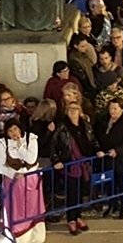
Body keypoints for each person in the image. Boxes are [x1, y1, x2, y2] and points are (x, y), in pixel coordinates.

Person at [49, 101, 97, 236]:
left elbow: (92, 139)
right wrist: (56, 160)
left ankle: (78, 216)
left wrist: (97, 150)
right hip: (70, 164)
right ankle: (71, 219)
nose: (73, 111)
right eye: (70, 109)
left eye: (75, 108)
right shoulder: (62, 127)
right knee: (72, 193)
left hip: (84, 164)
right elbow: (54, 145)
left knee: (81, 192)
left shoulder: (85, 125)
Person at [0, 121, 45, 241]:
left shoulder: (31, 138)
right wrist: (13, 174)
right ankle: (18, 237)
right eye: (10, 130)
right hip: (13, 183)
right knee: (16, 209)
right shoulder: (3, 143)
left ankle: (36, 237)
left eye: (15, 129)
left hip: (31, 180)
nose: (13, 133)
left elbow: (31, 159)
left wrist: (20, 145)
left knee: (33, 208)